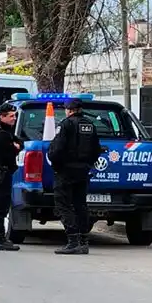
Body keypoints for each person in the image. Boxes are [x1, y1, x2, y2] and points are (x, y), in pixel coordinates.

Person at [48, 97, 101, 255]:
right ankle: (84, 241)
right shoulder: (90, 125)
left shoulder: (66, 124)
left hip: (65, 170)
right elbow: (96, 149)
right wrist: (87, 164)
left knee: (63, 204)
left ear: (69, 110)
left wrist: (55, 161)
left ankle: (73, 241)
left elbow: (57, 149)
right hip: (83, 170)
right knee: (80, 205)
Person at [0, 103, 24, 251]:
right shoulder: (0, 134)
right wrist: (14, 147)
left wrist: (17, 145)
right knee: (0, 208)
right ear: (2, 117)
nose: (14, 118)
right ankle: (0, 239)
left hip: (3, 173)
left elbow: (19, 142)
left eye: (14, 115)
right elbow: (10, 152)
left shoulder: (6, 132)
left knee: (1, 206)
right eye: (11, 116)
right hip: (0, 174)